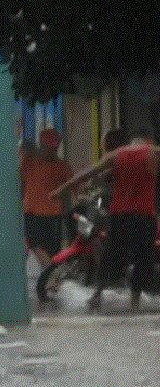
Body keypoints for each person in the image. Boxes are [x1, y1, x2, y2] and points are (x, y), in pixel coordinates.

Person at [61, 129, 158, 311]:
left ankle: (97, 294)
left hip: (120, 214)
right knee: (143, 257)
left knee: (111, 254)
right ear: (148, 140)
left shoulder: (117, 155)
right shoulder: (153, 153)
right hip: (144, 215)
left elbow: (89, 172)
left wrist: (62, 189)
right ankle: (134, 303)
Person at [21, 128, 73, 269]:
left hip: (53, 215)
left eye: (55, 149)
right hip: (32, 213)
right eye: (50, 148)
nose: (52, 151)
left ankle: (51, 273)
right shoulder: (29, 162)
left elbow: (73, 188)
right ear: (42, 146)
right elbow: (20, 183)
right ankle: (50, 272)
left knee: (53, 249)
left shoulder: (62, 166)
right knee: (34, 244)